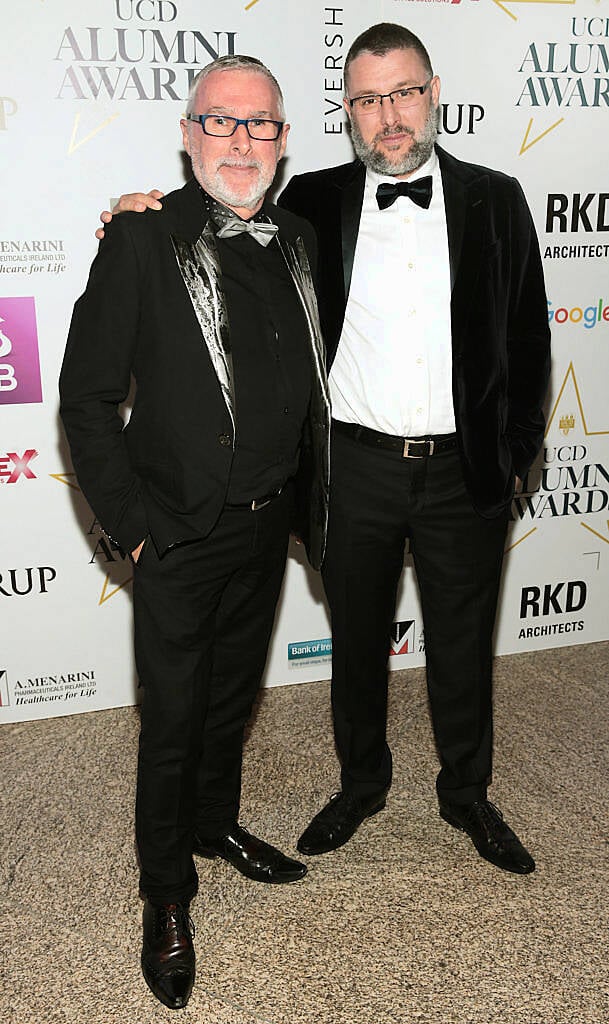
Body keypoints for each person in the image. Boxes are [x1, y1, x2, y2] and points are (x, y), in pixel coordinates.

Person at [97, 23, 551, 878]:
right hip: (352, 469)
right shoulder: (307, 201)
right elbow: (212, 215)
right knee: (355, 644)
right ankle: (360, 784)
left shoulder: (499, 197)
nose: (389, 115)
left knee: (463, 645)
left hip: (464, 471)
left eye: (404, 93)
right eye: (368, 99)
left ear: (434, 92)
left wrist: (514, 453)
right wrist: (132, 212)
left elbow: (528, 342)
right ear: (345, 111)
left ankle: (467, 795)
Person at [61, 54, 329, 1011]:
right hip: (173, 533)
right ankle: (165, 894)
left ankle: (215, 826)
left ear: (285, 138)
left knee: (229, 702)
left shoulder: (299, 238)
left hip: (268, 527)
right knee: (171, 723)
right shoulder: (142, 238)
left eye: (260, 125)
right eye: (221, 122)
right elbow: (87, 400)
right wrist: (132, 531)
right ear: (187, 133)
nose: (241, 141)